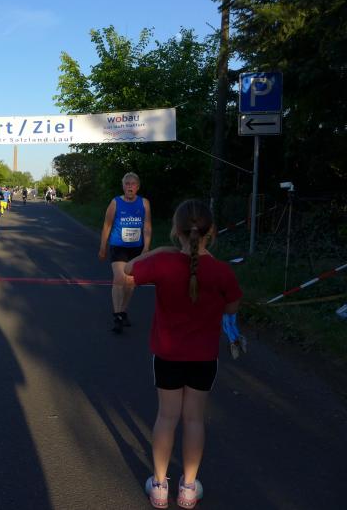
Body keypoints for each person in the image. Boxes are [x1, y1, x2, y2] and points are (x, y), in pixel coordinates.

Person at [122, 199, 241, 509]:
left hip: (167, 355)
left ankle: (159, 486)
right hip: (203, 357)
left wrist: (158, 250)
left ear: (176, 230)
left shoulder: (163, 263)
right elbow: (231, 307)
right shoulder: (222, 272)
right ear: (211, 231)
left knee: (166, 417)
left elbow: (128, 270)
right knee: (194, 420)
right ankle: (188, 488)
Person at [98, 172, 152, 333]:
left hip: (136, 247)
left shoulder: (144, 203)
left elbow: (147, 226)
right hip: (118, 245)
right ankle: (117, 316)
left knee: (130, 282)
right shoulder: (115, 202)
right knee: (120, 278)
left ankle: (122, 311)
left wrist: (146, 247)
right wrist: (103, 247)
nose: (130, 187)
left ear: (138, 187)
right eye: (127, 184)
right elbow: (107, 225)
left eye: (133, 184)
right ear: (123, 186)